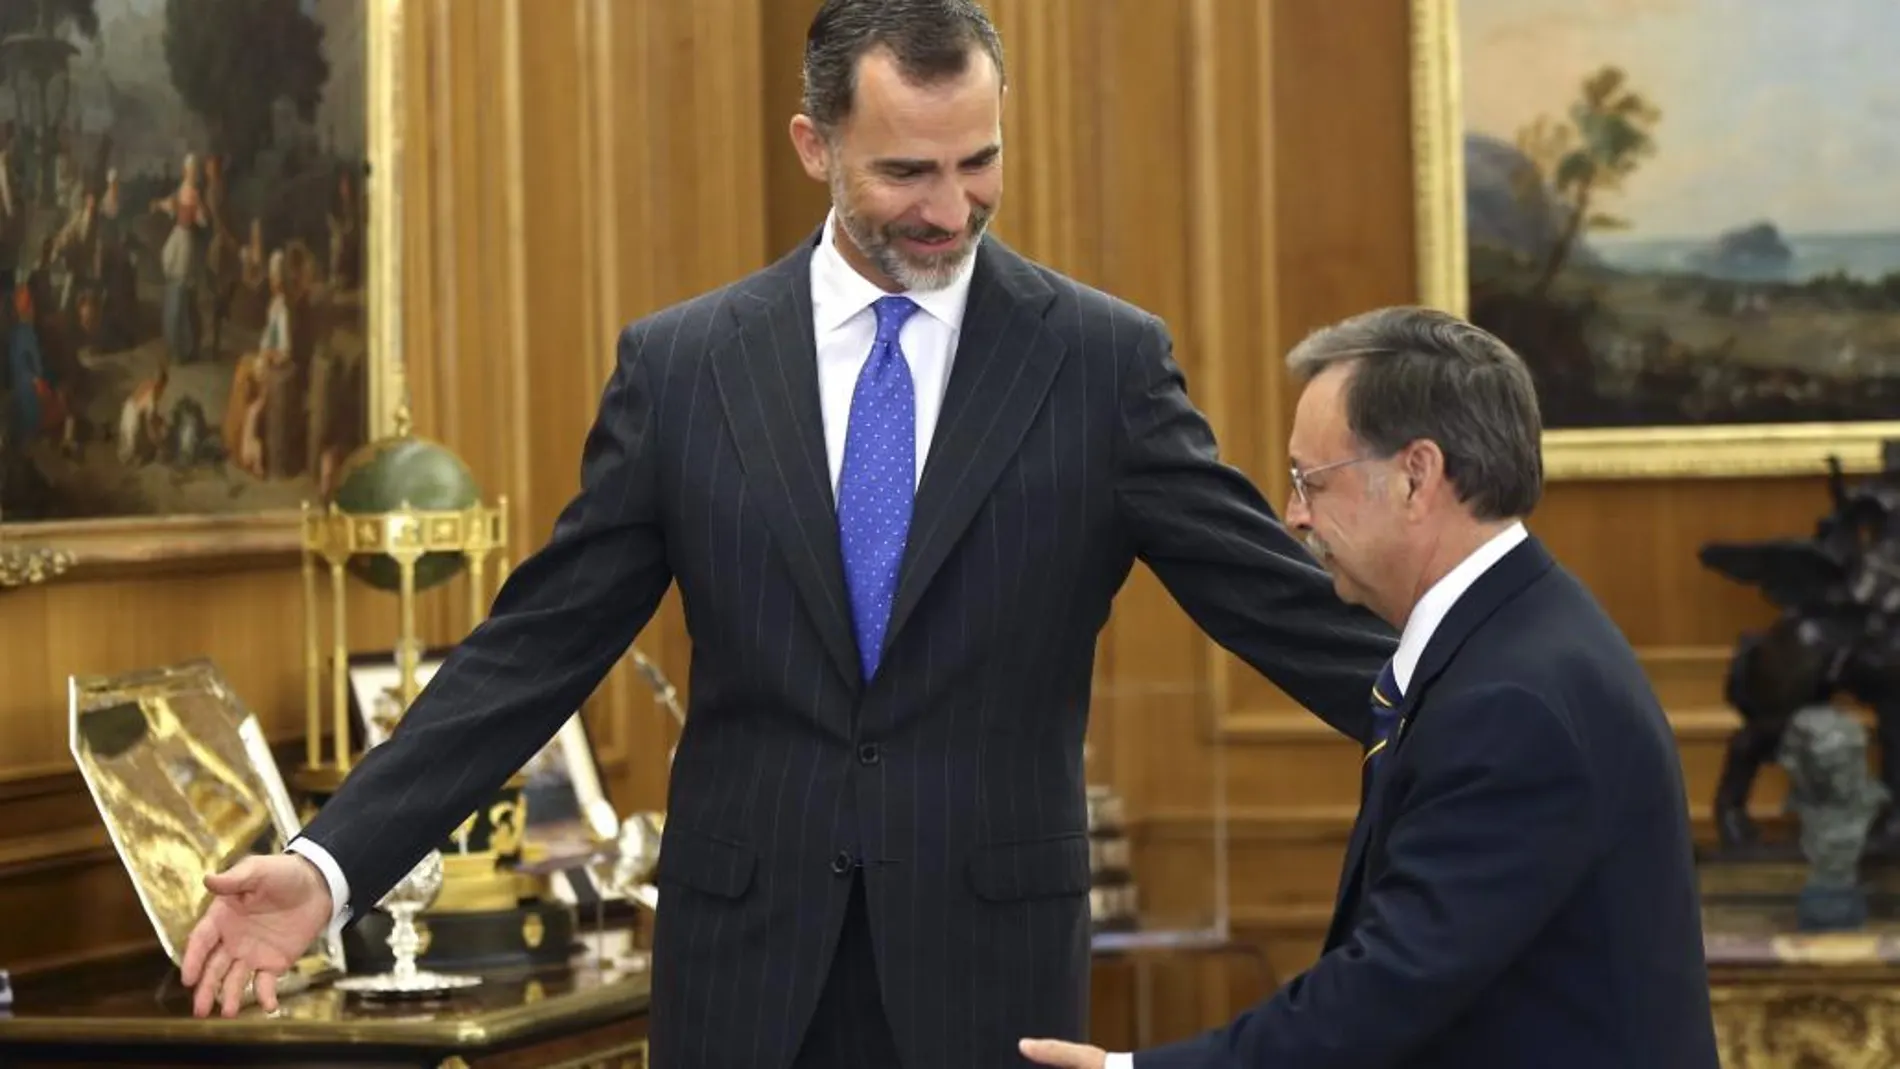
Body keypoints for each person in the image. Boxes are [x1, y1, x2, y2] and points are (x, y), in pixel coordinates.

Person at [177, 2, 1397, 1066]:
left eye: (978, 163)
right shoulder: (684, 368)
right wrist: (332, 866)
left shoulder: (1100, 365)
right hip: (744, 981)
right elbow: (533, 648)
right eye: (905, 173)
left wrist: (1506, 729)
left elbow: (1276, 605)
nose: (950, 208)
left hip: (987, 976)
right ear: (813, 144)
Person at [1020, 307, 1721, 1069]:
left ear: (1416, 476)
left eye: (1309, 481)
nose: (1293, 516)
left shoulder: (1511, 700)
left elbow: (1393, 985)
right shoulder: (1517, 640)